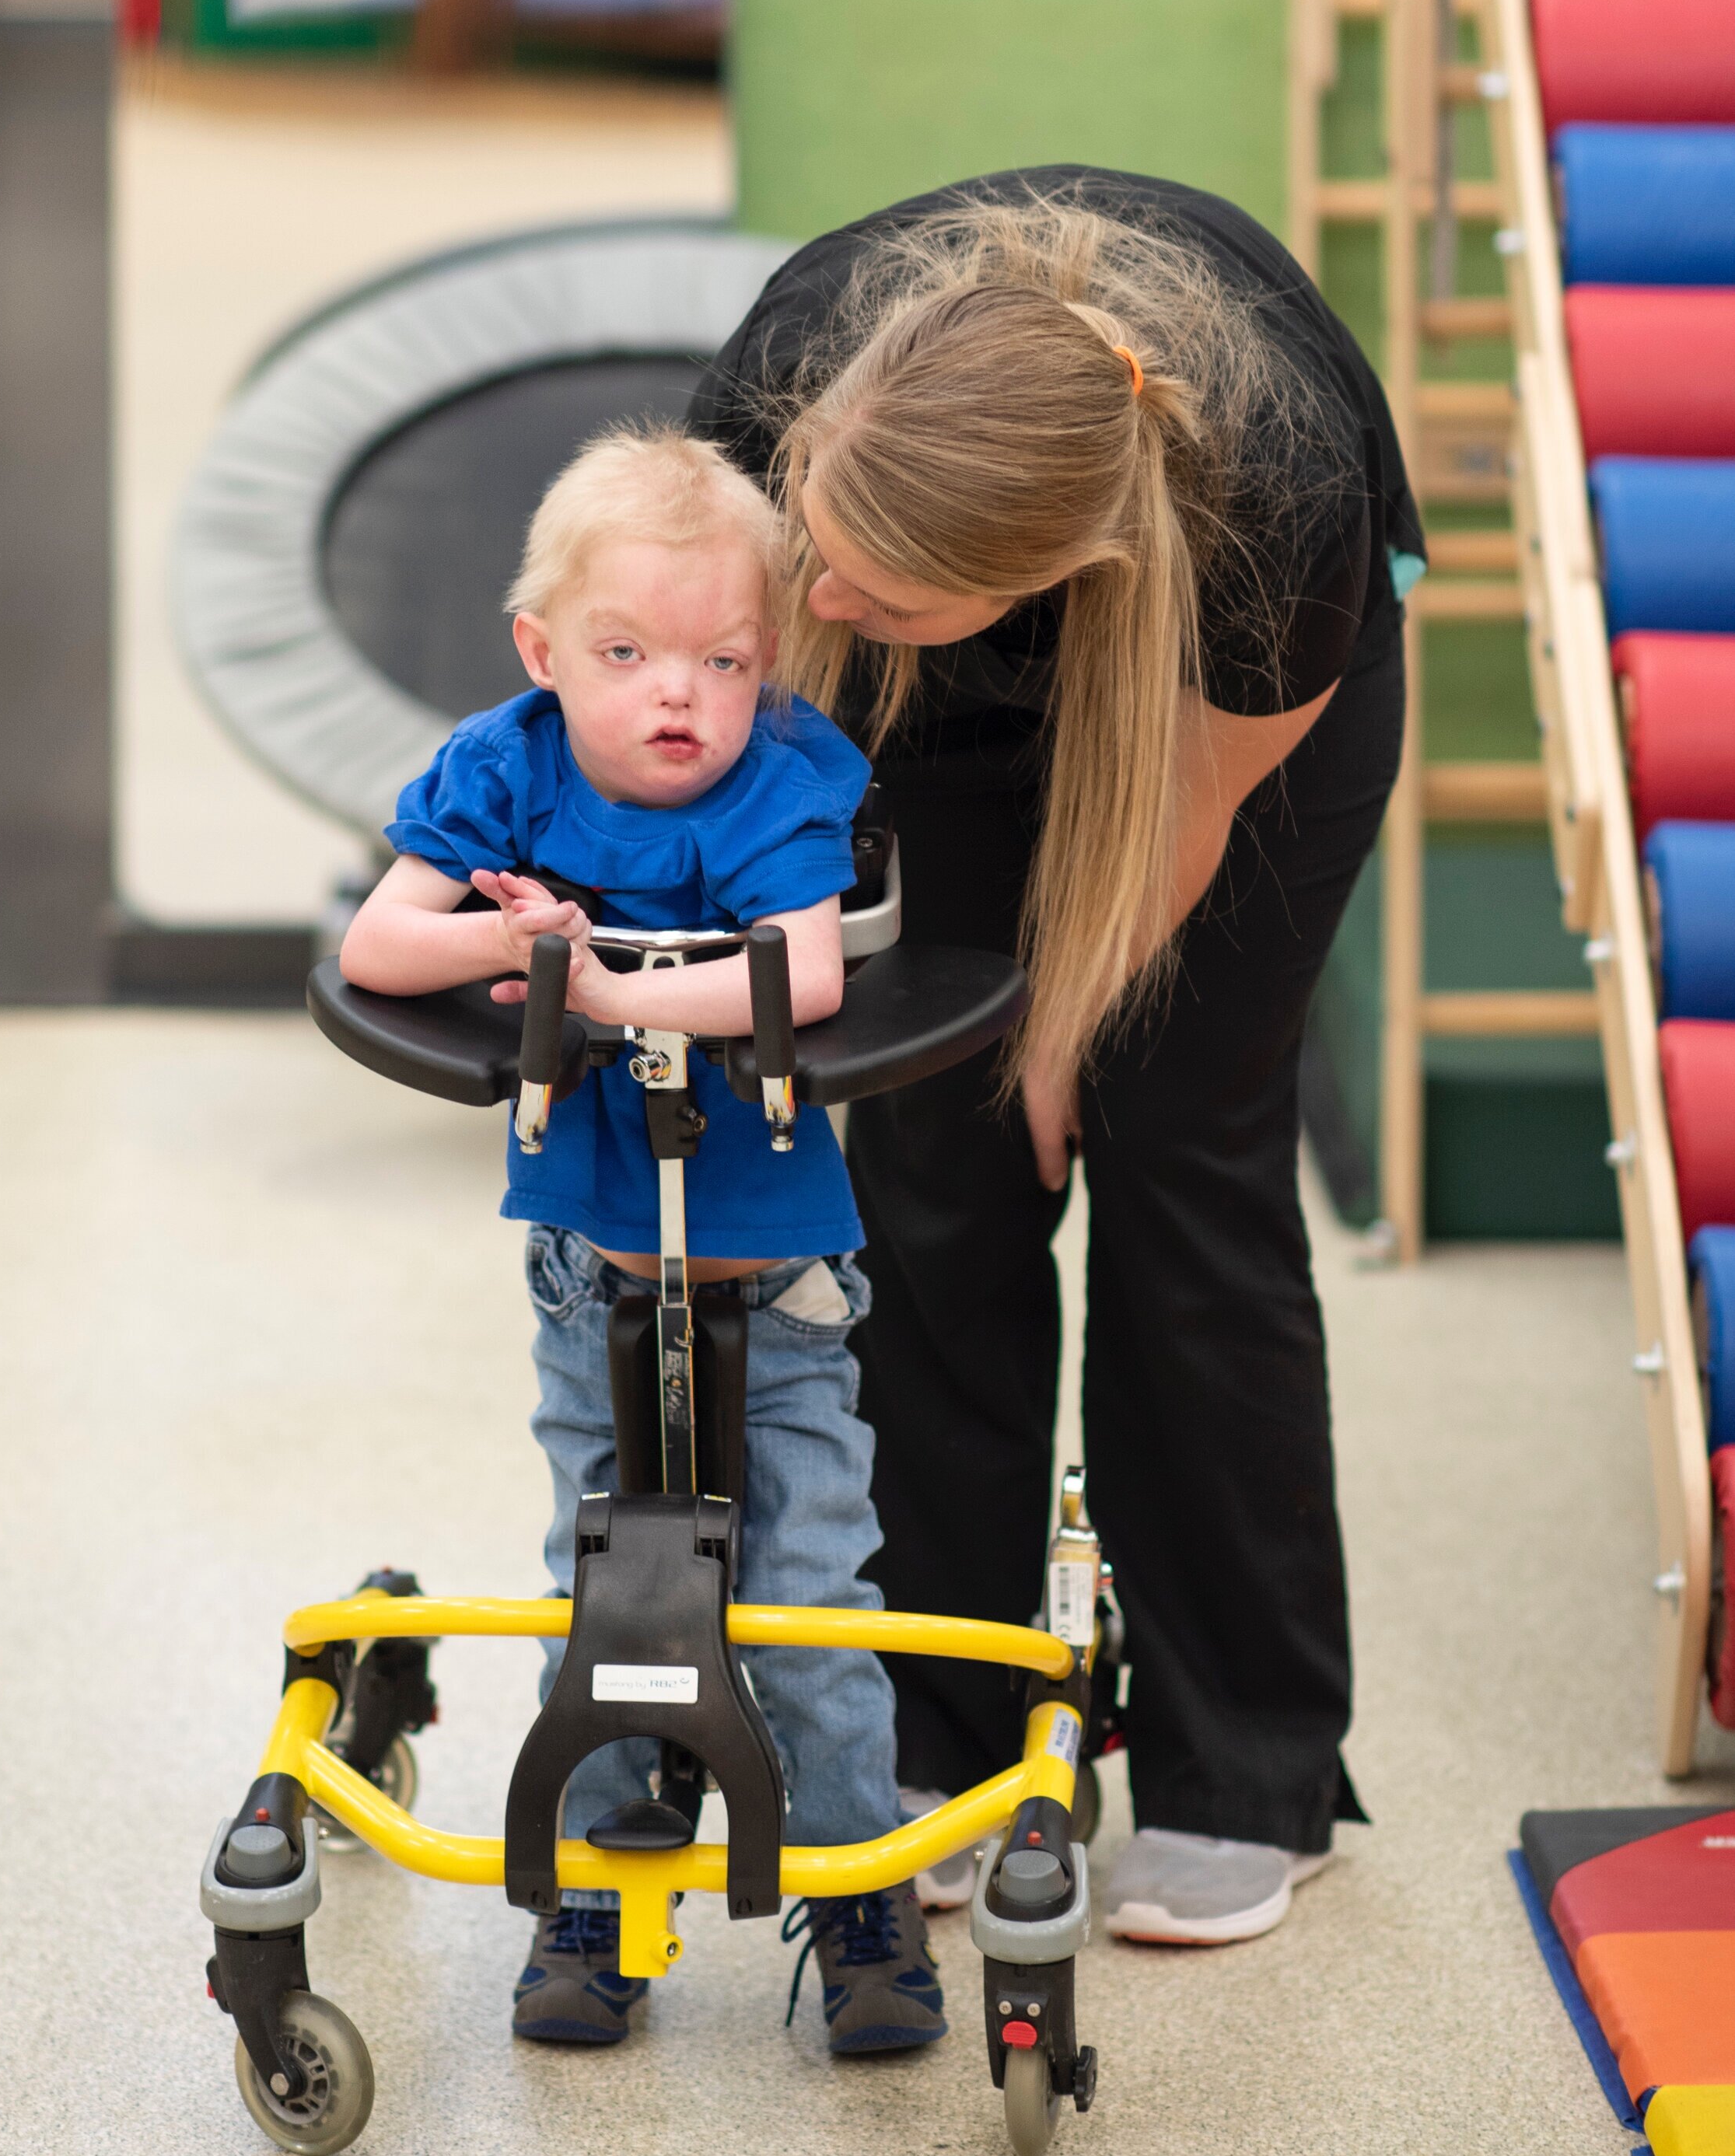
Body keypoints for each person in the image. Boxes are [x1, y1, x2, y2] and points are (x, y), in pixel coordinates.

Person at [688, 169, 1422, 1948]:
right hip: (919, 721)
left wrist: (1065, 1040)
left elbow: (1170, 815)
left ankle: (1240, 1771)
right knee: (930, 1164)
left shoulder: (1277, 497)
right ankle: (935, 1739)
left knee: (1182, 1148)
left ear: (1047, 580)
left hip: (1215, 717)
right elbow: (705, 710)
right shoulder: (786, 383)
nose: (823, 585)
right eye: (816, 530)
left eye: (876, 577)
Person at [339, 425, 946, 2050]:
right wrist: (498, 929)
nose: (674, 693)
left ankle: (859, 1889)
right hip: (587, 1262)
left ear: (768, 662)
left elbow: (797, 980)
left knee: (809, 1584)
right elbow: (381, 940)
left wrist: (594, 987)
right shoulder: (510, 763)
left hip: (780, 1275)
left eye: (719, 658)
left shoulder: (780, 777)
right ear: (544, 652)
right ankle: (600, 1889)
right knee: (602, 1572)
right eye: (625, 654)